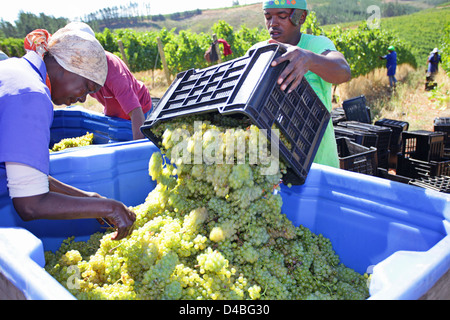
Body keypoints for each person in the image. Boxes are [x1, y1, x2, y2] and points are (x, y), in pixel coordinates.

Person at [0, 26, 136, 240]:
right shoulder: (31, 94)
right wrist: (108, 208)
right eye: (86, 87)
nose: (83, 99)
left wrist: (90, 198)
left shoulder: (18, 73)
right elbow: (30, 204)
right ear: (66, 66)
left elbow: (24, 175)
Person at [251, 0, 352, 169]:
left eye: (282, 16)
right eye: (267, 17)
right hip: (276, 164)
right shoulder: (259, 51)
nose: (273, 23)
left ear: (301, 16)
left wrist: (310, 59)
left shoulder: (316, 45)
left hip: (319, 161)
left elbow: (343, 71)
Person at [62, 22, 152, 140]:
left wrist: (138, 149)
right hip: (114, 112)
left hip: (139, 111)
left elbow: (135, 111)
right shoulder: (81, 70)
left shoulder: (114, 72)